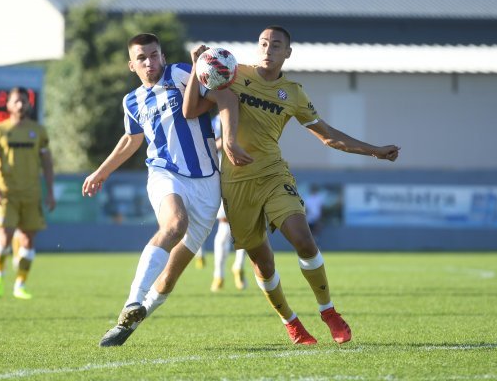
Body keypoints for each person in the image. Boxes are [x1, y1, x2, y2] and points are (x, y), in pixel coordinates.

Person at [184, 25, 400, 345]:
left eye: (276, 45)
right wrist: (196, 67)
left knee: (303, 238)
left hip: (273, 174)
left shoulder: (294, 93)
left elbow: (328, 136)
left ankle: (328, 311)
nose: (268, 49)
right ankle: (291, 322)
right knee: (263, 263)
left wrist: (374, 151)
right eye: (263, 43)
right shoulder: (231, 73)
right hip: (236, 182)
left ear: (288, 53)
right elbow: (190, 111)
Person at [82, 33, 251, 347]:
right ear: (132, 65)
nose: (150, 62)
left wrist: (228, 139)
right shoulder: (131, 101)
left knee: (171, 275)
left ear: (162, 54)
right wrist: (101, 172)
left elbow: (225, 98)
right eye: (142, 58)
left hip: (207, 185)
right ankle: (133, 300)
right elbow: (131, 139)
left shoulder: (183, 73)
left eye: (154, 54)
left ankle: (128, 324)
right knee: (174, 225)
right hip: (164, 173)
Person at [0, 87, 56, 300]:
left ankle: (20, 284)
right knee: (4, 236)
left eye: (23, 101)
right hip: (7, 193)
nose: (20, 105)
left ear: (28, 103)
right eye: (16, 101)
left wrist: (50, 191)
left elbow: (47, 163)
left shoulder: (38, 131)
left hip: (31, 192)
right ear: (8, 105)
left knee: (27, 240)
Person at [209, 114, 247, 292]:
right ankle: (221, 273)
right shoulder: (218, 120)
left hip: (245, 174)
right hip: (225, 175)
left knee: (246, 225)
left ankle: (233, 268)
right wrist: (228, 141)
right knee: (226, 227)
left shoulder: (248, 113)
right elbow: (211, 145)